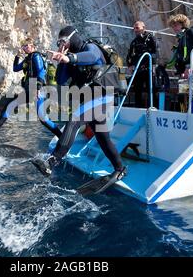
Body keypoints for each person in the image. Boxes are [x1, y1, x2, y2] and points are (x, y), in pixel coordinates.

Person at [31, 26, 127, 193]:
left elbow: (92, 56)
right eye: (59, 42)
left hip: (102, 96)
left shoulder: (89, 47)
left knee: (74, 120)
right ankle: (120, 169)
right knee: (102, 137)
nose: (62, 44)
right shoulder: (69, 57)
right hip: (89, 99)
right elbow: (61, 80)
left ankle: (52, 162)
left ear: (73, 38)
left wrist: (70, 57)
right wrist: (61, 60)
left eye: (64, 41)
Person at [0, 37, 62, 138]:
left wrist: (38, 89)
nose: (24, 48)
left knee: (42, 117)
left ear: (32, 46)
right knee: (10, 105)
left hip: (38, 90)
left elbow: (41, 72)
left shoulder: (36, 56)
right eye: (23, 46)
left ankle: (61, 136)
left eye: (26, 45)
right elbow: (15, 69)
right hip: (29, 90)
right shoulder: (27, 59)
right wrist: (17, 56)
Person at [126, 21, 157, 108]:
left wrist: (153, 66)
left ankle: (153, 107)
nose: (135, 30)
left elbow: (155, 53)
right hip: (138, 70)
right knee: (137, 89)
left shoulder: (150, 38)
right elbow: (129, 56)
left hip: (149, 68)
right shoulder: (134, 42)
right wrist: (129, 65)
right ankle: (138, 107)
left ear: (143, 28)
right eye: (134, 28)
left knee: (151, 89)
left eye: (137, 28)